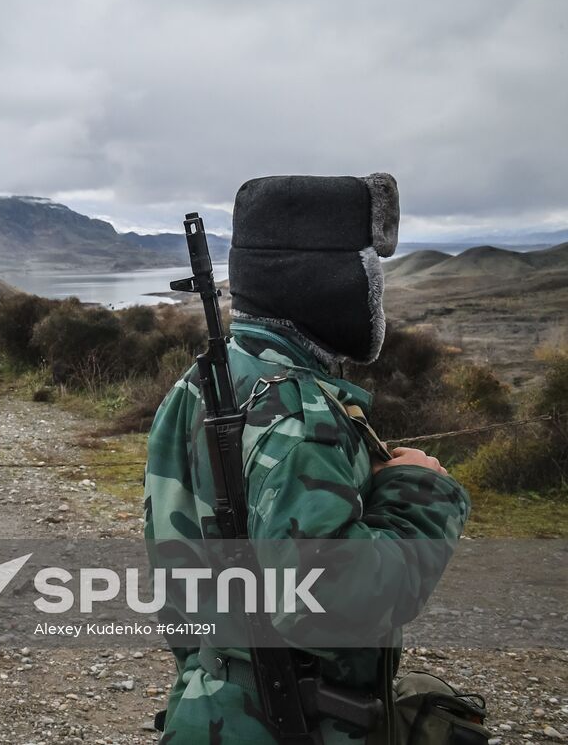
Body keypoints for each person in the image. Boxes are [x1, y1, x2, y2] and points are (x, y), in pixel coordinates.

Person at [144, 174, 470, 744]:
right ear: (324, 279)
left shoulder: (205, 382)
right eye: (370, 269)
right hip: (287, 726)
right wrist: (417, 491)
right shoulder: (297, 413)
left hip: (208, 707)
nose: (377, 294)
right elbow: (332, 605)